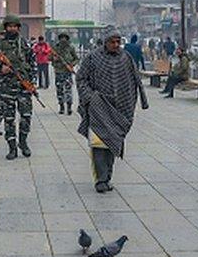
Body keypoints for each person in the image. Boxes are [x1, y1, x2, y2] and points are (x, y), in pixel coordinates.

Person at [76, 32, 148, 193]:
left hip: (121, 109)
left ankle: (107, 177)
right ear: (105, 42)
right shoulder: (93, 58)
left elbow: (135, 81)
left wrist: (137, 102)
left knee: (114, 142)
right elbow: (81, 78)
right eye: (112, 42)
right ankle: (100, 180)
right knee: (100, 143)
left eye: (118, 42)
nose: (116, 45)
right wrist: (90, 97)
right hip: (99, 107)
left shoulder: (126, 58)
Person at [0, 15, 36, 160]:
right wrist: (1, 68)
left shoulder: (25, 44)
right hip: (6, 88)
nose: (12, 28)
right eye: (9, 26)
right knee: (9, 119)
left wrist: (32, 84)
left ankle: (23, 143)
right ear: (5, 28)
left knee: (26, 117)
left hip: (23, 88)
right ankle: (12, 147)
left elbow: (33, 64)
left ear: (18, 28)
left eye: (14, 26)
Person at [50, 31, 78, 115]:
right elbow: (50, 57)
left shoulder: (71, 48)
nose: (63, 40)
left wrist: (71, 65)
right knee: (59, 90)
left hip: (67, 72)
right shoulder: (55, 48)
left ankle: (69, 107)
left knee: (68, 90)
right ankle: (61, 106)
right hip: (58, 71)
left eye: (65, 38)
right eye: (61, 38)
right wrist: (53, 59)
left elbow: (76, 58)